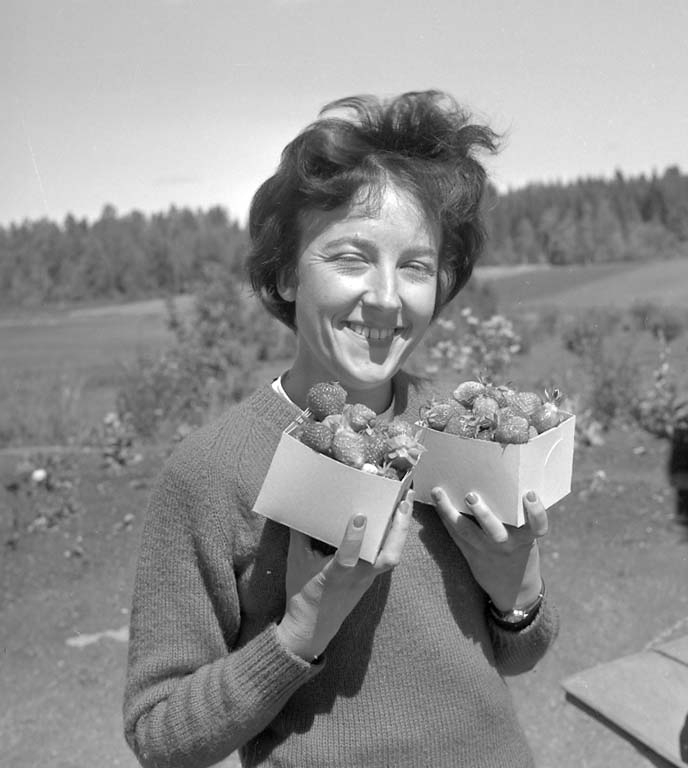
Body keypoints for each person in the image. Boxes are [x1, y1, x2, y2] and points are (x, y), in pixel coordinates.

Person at [123, 90, 559, 768]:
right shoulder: (212, 472)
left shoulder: (463, 434)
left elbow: (520, 654)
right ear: (285, 275)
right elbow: (159, 735)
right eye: (351, 258)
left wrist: (518, 592)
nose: (386, 297)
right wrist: (301, 629)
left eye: (415, 265)